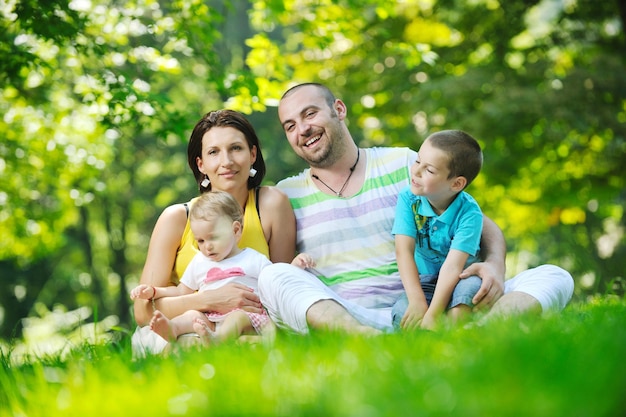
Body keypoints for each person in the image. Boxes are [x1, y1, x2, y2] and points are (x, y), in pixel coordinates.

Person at [257, 82, 574, 334]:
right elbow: (286, 274)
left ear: (338, 109)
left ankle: (481, 333)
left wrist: (495, 265)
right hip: (350, 313)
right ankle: (365, 338)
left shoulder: (404, 163)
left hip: (430, 301)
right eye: (290, 125)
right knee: (274, 278)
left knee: (553, 276)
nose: (302, 130)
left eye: (310, 114)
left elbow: (478, 222)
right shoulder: (286, 195)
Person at [132, 109, 297, 355]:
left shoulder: (271, 205)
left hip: (248, 325)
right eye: (213, 152)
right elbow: (142, 313)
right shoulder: (178, 218)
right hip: (185, 327)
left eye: (236, 148)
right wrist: (209, 300)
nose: (226, 161)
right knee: (191, 343)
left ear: (253, 154)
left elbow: (282, 290)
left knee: (247, 345)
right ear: (201, 164)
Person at [130, 191, 314, 346]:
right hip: (210, 319)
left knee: (237, 317)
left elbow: (276, 281)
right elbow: (180, 290)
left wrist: (295, 267)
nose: (206, 246)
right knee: (192, 315)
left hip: (247, 317)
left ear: (235, 230)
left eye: (213, 238)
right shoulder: (200, 262)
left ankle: (217, 340)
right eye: (200, 240)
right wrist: (154, 291)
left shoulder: (252, 258)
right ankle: (173, 329)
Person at [392, 130, 484, 331]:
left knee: (466, 298)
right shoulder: (409, 199)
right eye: (417, 161)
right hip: (425, 281)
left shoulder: (470, 214)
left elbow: (453, 267)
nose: (416, 172)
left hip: (461, 277)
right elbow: (403, 251)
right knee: (402, 313)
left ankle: (449, 337)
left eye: (429, 170)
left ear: (456, 183)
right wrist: (417, 303)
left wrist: (432, 315)